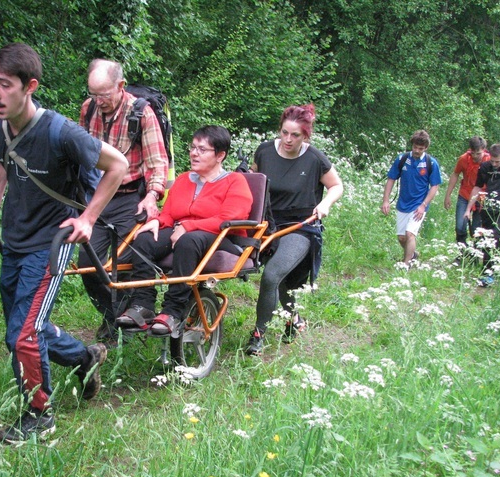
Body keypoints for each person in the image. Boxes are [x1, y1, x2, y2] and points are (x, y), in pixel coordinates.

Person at [0, 43, 128, 443]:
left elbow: (119, 166)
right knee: (18, 332)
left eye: (5, 85)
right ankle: (84, 357)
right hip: (17, 238)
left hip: (52, 243)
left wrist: (88, 219)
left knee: (24, 334)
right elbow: (2, 157)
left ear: (30, 86)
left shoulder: (60, 131)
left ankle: (40, 414)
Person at [116, 126, 252, 334]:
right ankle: (142, 305)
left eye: (202, 149)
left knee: (188, 240)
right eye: (193, 147)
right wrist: (157, 221)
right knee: (144, 239)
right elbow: (171, 213)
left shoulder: (235, 181)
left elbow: (230, 218)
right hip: (183, 233)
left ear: (220, 155)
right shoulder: (183, 180)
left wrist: (189, 226)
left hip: (221, 237)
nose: (194, 153)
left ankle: (173, 310)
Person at [78, 59, 168, 342]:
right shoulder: (88, 109)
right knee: (87, 263)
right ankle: (113, 316)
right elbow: (80, 151)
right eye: (93, 94)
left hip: (132, 197)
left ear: (120, 86)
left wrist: (152, 197)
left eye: (104, 94)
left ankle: (129, 319)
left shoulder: (141, 113)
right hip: (98, 197)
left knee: (124, 264)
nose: (98, 100)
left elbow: (157, 161)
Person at [244, 104, 343, 356]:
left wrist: (324, 204)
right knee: (285, 284)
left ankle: (258, 334)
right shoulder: (265, 151)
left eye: (295, 135)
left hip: (301, 227)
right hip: (266, 226)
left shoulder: (314, 159)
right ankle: (293, 320)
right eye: (284, 133)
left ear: (305, 136)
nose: (288, 139)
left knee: (272, 276)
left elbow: (336, 186)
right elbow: (253, 181)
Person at [464, 143, 500, 287]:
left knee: (496, 238)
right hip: (488, 208)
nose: (494, 164)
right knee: (486, 239)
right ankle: (487, 271)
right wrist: (468, 209)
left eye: (497, 162)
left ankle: (493, 273)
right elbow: (477, 187)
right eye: (492, 161)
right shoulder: (484, 167)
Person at [381, 130, 442, 264]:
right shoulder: (402, 159)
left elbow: (434, 186)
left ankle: (406, 264)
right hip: (403, 203)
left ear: (425, 148)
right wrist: (386, 200)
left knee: (410, 234)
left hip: (419, 204)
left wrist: (423, 205)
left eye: (420, 148)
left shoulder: (431, 163)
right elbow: (391, 179)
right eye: (415, 147)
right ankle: (412, 254)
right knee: (402, 238)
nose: (416, 150)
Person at [443, 136, 490, 245]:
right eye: (472, 153)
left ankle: (475, 253)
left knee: (476, 230)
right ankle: (462, 252)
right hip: (465, 195)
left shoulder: (489, 161)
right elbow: (455, 174)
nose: (474, 156)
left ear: (483, 149)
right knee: (460, 226)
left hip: (481, 198)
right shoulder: (464, 158)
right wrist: (448, 195)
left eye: (478, 154)